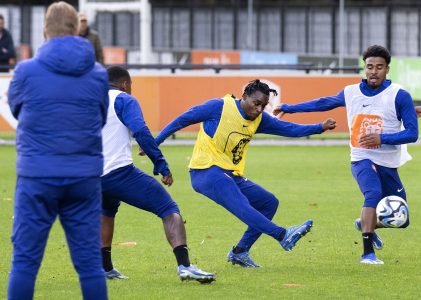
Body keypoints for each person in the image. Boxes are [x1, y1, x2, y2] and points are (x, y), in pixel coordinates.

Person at [155, 79, 337, 268]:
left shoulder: (259, 119)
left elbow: (289, 129)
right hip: (205, 170)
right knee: (241, 204)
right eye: (256, 103)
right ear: (244, 96)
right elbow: (183, 119)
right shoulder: (218, 107)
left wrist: (320, 127)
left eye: (263, 105)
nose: (259, 109)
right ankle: (283, 235)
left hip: (230, 174)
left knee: (268, 202)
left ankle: (240, 252)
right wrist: (155, 142)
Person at [274, 45, 419, 265]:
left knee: (402, 219)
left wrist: (382, 138)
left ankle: (365, 223)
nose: (373, 71)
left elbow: (412, 133)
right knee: (373, 193)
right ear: (364, 68)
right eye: (369, 67)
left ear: (387, 69)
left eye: (379, 67)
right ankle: (367, 253)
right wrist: (290, 107)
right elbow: (322, 103)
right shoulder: (351, 92)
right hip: (361, 158)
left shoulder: (399, 95)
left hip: (388, 162)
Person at [7, 2, 109, 299]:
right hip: (84, 178)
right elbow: (100, 117)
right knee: (90, 263)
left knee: (25, 262)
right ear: (78, 29)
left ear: (44, 31)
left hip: (37, 176)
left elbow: (15, 108)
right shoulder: (98, 74)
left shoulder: (26, 71)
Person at [100, 66, 215, 283]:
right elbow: (141, 131)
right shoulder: (125, 99)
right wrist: (160, 165)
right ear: (125, 84)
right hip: (118, 172)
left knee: (106, 211)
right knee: (168, 208)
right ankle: (185, 265)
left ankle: (104, 269)